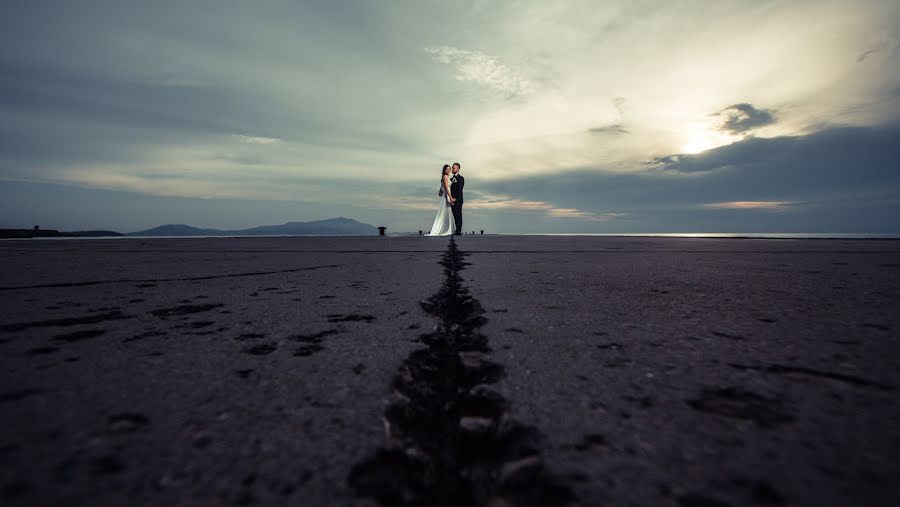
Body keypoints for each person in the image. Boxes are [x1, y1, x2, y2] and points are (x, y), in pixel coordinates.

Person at [426, 165, 456, 236]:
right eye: (447, 169)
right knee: (445, 212)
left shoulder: (446, 177)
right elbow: (446, 188)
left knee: (447, 212)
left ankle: (447, 229)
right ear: (444, 170)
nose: (448, 170)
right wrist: (451, 197)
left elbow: (443, 187)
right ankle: (445, 229)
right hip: (446, 195)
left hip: (446, 194)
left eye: (449, 169)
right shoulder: (445, 177)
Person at [450, 162, 464, 235]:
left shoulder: (461, 178)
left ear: (458, 169)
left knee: (458, 215)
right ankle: (456, 230)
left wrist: (455, 198)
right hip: (451, 200)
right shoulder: (451, 179)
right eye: (452, 167)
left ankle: (458, 231)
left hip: (458, 200)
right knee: (454, 215)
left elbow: (459, 189)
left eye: (453, 168)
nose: (452, 169)